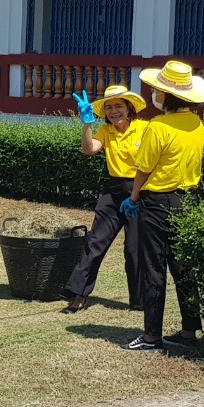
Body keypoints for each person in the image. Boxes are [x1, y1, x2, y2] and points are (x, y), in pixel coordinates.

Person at [120, 60, 204, 353]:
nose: (154, 94)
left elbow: (144, 168)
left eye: (157, 90)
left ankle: (151, 336)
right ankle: (189, 331)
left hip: (157, 203)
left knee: (153, 268)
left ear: (166, 95)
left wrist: (134, 198)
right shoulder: (197, 123)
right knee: (184, 269)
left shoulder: (158, 126)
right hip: (187, 201)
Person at [61, 84, 149, 313]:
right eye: (109, 107)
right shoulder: (106, 131)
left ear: (129, 108)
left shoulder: (145, 128)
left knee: (134, 248)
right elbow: (89, 149)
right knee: (94, 242)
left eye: (118, 106)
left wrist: (137, 195)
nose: (113, 111)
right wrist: (87, 124)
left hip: (139, 190)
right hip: (113, 191)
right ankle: (79, 295)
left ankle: (139, 301)